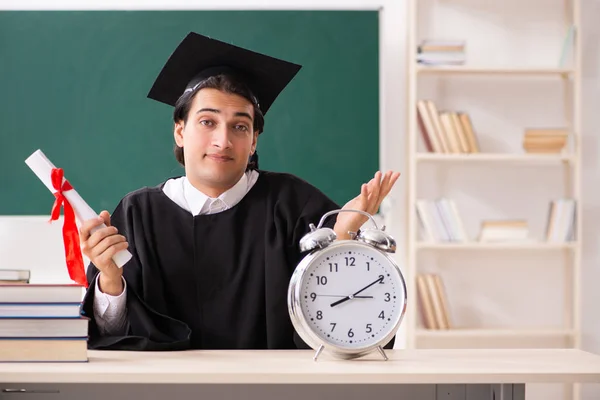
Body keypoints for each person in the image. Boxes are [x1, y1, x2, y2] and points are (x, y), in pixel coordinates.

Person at [79, 32, 400, 351]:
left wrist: (342, 238)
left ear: (254, 140)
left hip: (272, 386)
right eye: (207, 122)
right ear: (180, 131)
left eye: (240, 126)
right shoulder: (138, 213)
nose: (223, 141)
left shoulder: (294, 205)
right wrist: (109, 279)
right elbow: (113, 334)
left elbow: (347, 326)